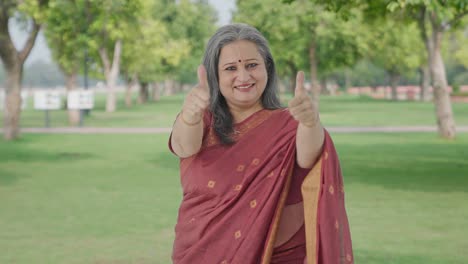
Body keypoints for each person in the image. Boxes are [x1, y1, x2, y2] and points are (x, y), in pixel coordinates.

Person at [169, 23, 353, 264]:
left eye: (252, 65)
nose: (243, 76)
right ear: (216, 75)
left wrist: (310, 122)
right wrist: (190, 115)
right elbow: (184, 147)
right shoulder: (202, 119)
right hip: (201, 251)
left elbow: (309, 158)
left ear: (267, 67)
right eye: (230, 68)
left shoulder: (288, 122)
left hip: (276, 254)